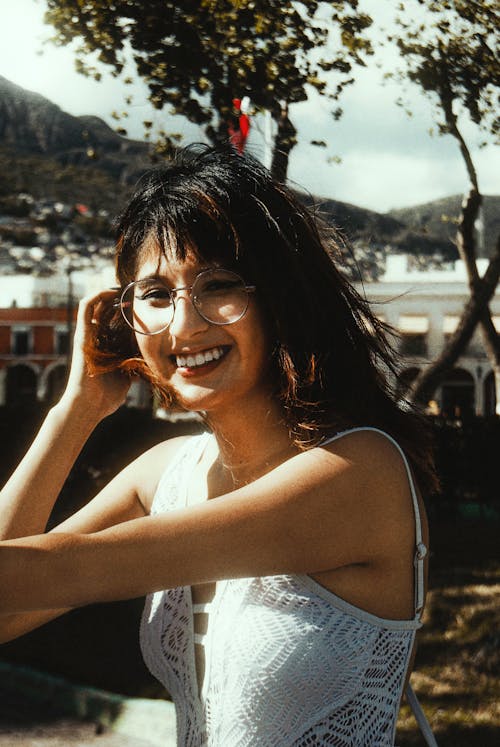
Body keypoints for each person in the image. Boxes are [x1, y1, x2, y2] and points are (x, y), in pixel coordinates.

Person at [0, 144, 437, 746]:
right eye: (155, 294)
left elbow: (64, 570)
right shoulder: (165, 473)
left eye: (219, 285)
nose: (184, 325)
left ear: (278, 296)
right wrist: (76, 409)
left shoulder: (356, 472)